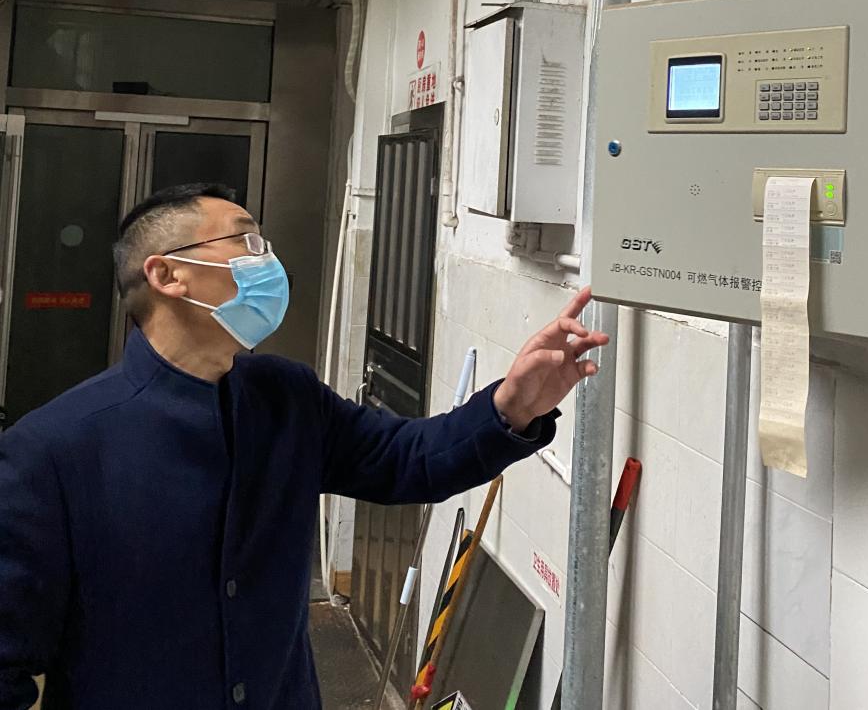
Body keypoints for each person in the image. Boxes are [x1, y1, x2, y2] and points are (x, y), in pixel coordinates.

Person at [0, 183, 609, 710]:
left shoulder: (283, 398)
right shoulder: (53, 451)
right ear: (167, 275)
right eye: (246, 241)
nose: (268, 261)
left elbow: (404, 460)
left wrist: (511, 407)